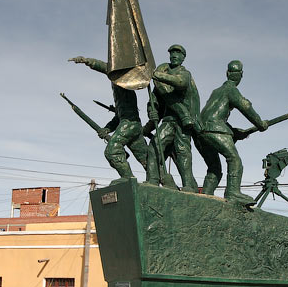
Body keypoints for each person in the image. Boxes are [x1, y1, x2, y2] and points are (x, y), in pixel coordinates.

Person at [196, 60, 269, 203]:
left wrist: (234, 132)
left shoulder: (216, 91)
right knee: (234, 159)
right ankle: (233, 192)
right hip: (213, 128)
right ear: (241, 75)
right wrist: (260, 124)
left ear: (227, 73)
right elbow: (245, 107)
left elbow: (213, 114)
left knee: (214, 167)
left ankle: (205, 196)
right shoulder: (231, 90)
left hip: (200, 131)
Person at [69, 56, 149, 184]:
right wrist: (107, 129)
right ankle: (166, 181)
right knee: (146, 159)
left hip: (130, 124)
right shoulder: (118, 88)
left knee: (112, 150)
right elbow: (118, 116)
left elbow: (108, 69)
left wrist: (88, 61)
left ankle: (127, 178)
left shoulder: (124, 81)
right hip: (131, 125)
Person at [146, 44, 201, 192]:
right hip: (169, 120)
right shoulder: (161, 76)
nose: (174, 56)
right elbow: (154, 99)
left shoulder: (185, 74)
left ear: (183, 57)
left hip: (184, 121)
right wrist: (152, 110)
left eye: (178, 53)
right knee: (154, 147)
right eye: (172, 53)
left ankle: (188, 186)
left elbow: (180, 83)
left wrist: (155, 75)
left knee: (183, 153)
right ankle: (152, 181)